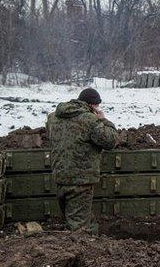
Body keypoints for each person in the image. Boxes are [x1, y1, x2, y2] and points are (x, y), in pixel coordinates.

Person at [46, 88, 118, 233]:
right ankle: (79, 251)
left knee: (72, 219)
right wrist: (103, 120)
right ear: (92, 106)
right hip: (80, 181)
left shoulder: (53, 117)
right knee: (79, 228)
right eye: (97, 106)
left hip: (60, 177)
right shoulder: (89, 120)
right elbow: (110, 141)